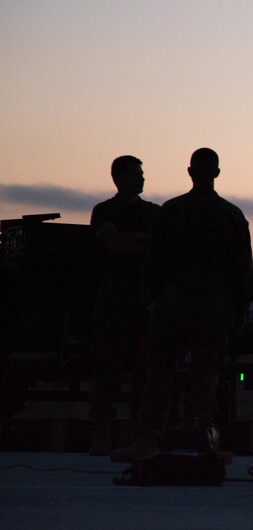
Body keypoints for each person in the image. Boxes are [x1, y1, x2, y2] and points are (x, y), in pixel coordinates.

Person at [118, 148, 253, 460]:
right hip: (209, 310)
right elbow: (242, 270)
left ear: (190, 172)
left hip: (175, 307)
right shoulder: (230, 215)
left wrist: (153, 299)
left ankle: (150, 438)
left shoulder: (172, 211)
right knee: (205, 378)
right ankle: (204, 440)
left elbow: (156, 262)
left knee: (160, 374)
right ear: (216, 173)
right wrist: (239, 309)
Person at [87, 155, 160, 455]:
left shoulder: (154, 213)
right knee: (108, 376)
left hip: (145, 307)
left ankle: (138, 438)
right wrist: (141, 241)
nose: (141, 179)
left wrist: (132, 240)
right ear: (118, 178)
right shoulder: (105, 210)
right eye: (134, 174)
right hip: (114, 306)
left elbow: (160, 247)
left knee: (145, 376)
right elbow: (111, 244)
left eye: (142, 173)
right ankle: (101, 436)